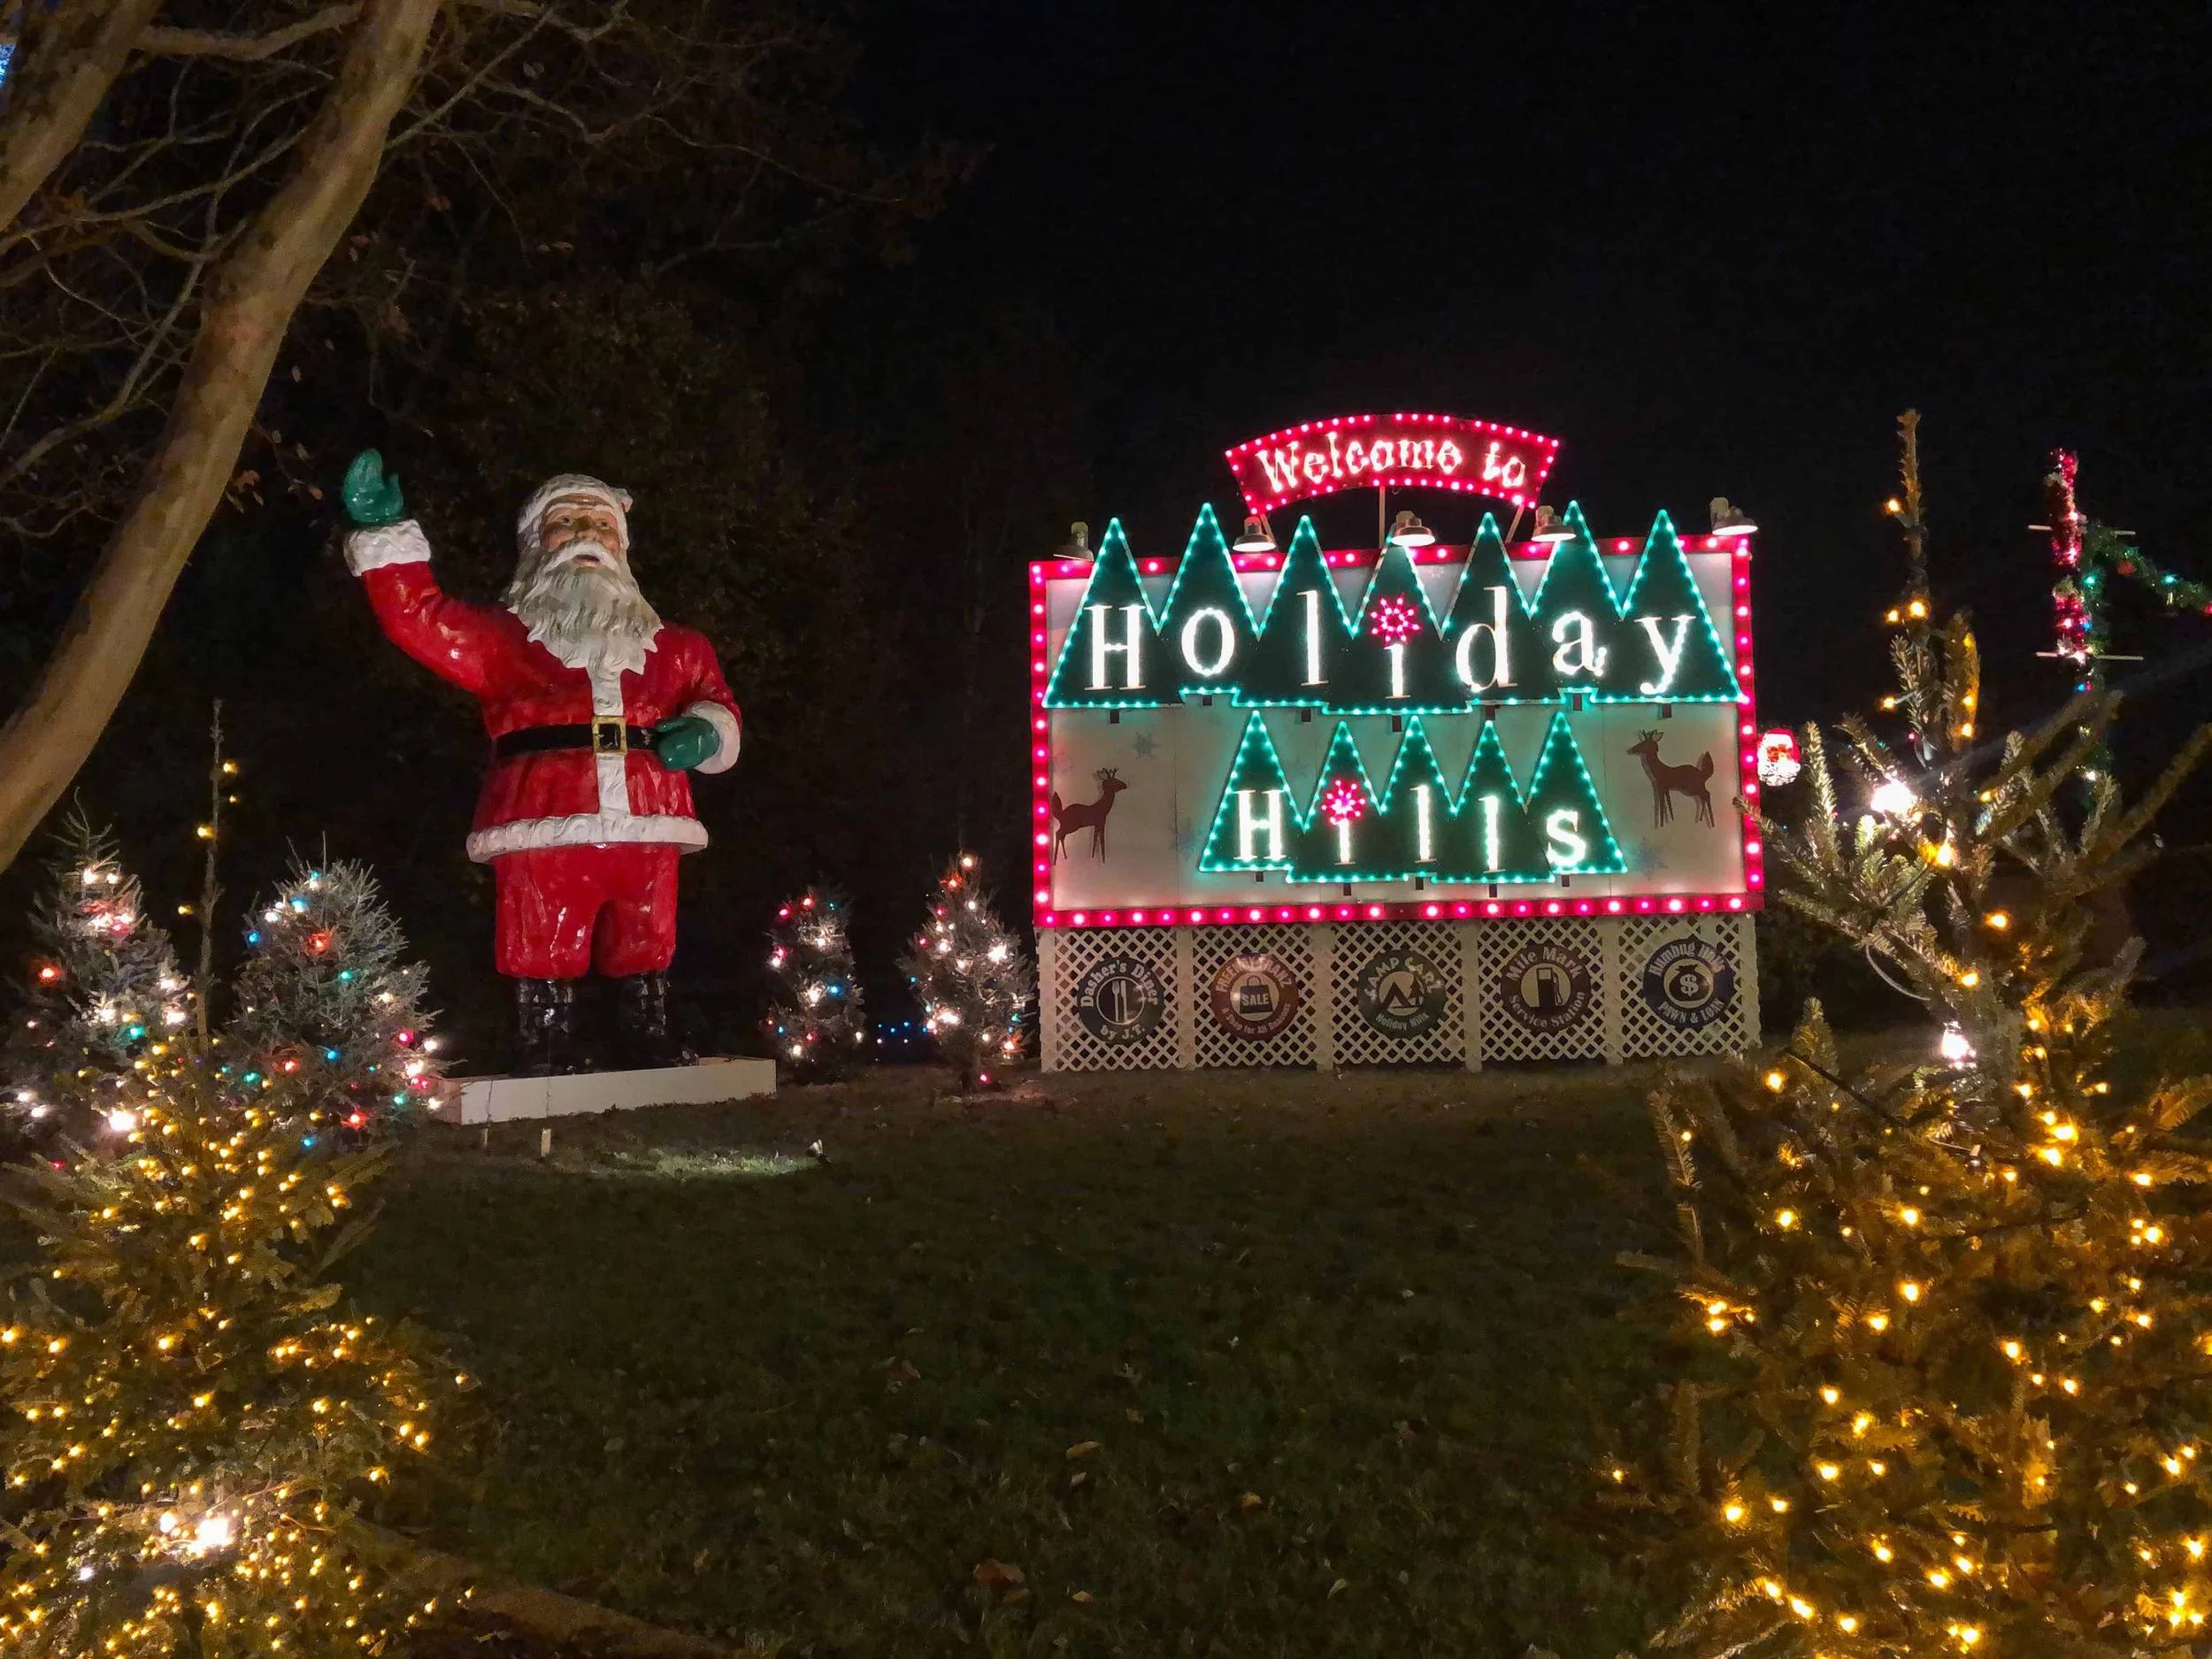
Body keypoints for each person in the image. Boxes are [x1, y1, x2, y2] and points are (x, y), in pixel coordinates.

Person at [340, 450, 741, 1072]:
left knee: (647, 932)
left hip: (650, 816)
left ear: (623, 545)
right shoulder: (503, 640)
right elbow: (418, 618)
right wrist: (383, 535)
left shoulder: (679, 648)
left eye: (602, 525)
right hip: (542, 812)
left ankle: (646, 1033)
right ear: (535, 544)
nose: (588, 538)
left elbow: (718, 704)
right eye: (568, 524)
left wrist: (709, 733)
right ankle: (549, 1042)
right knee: (543, 931)